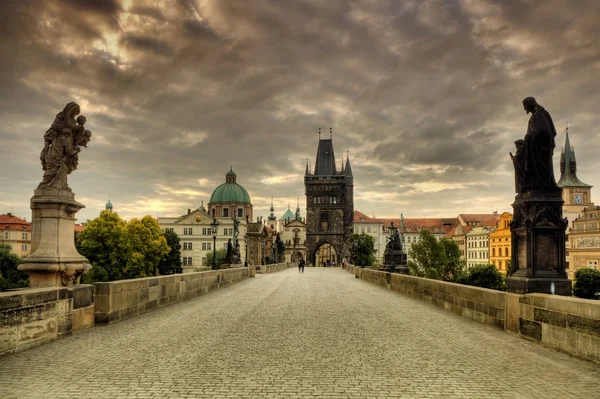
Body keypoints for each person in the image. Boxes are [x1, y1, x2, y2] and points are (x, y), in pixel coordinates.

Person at [510, 97, 561, 194]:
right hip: (533, 148)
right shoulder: (535, 116)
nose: (525, 109)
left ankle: (538, 186)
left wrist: (530, 136)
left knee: (540, 170)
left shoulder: (541, 115)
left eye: (525, 107)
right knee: (519, 158)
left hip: (540, 149)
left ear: (530, 105)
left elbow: (546, 132)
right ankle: (528, 186)